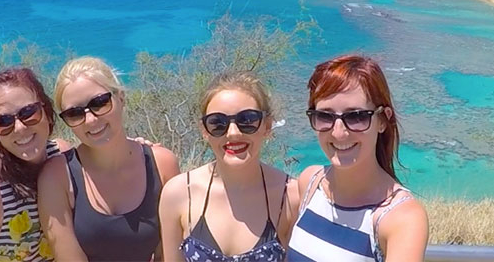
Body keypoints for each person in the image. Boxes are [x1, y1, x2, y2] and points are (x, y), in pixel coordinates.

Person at [38, 56, 180, 261]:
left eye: (99, 103)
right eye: (74, 113)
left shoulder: (163, 165)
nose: (91, 120)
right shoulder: (56, 177)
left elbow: (169, 253)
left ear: (120, 98)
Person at [288, 55, 428, 262]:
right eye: (325, 116)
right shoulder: (310, 182)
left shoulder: (400, 218)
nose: (338, 133)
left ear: (383, 120)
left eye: (356, 117)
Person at [158, 71, 300, 262]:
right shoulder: (179, 193)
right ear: (204, 131)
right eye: (218, 123)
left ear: (267, 126)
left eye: (247, 120)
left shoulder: (290, 197)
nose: (233, 133)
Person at [0, 67, 66, 262]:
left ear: (47, 113)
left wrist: (134, 148)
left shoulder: (61, 156)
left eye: (29, 112)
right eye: (4, 121)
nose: (20, 127)